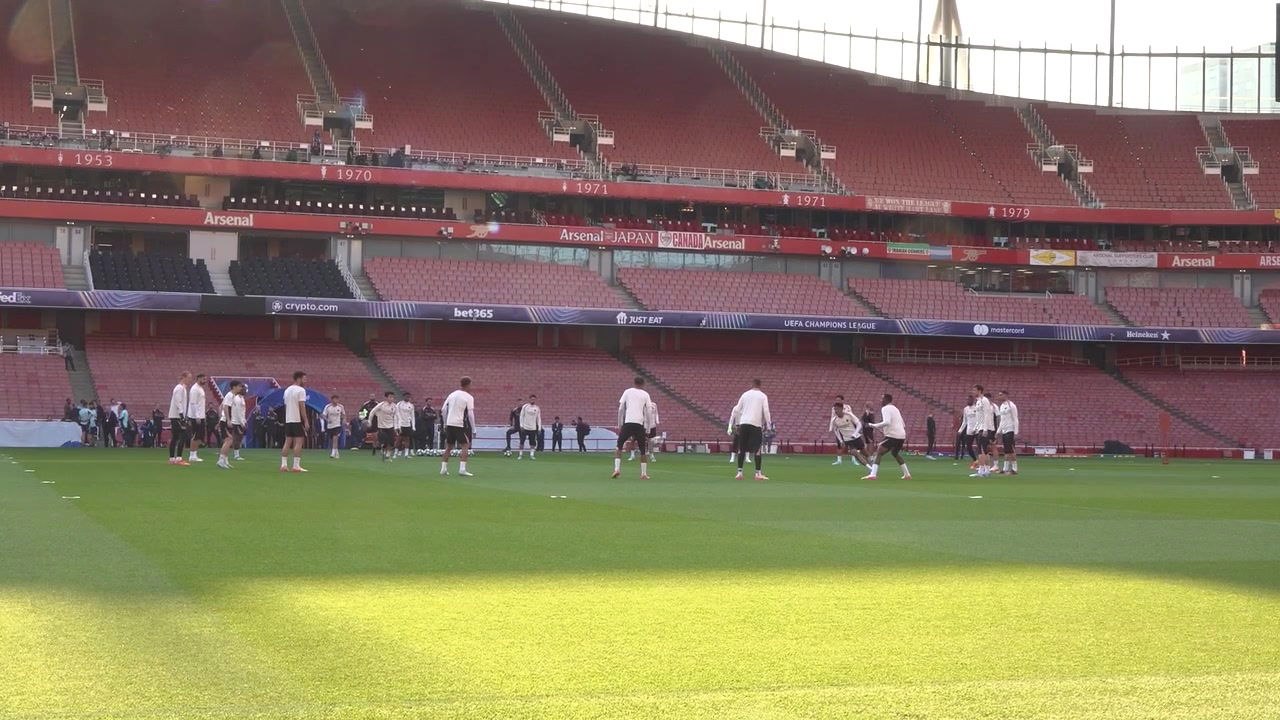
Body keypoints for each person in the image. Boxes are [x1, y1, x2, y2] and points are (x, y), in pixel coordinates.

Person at [729, 379, 771, 481]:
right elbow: (766, 410)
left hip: (744, 423)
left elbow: (737, 409)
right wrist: (769, 425)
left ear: (752, 384)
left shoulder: (745, 394)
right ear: (760, 385)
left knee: (742, 448)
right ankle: (758, 473)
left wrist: (735, 422)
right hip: (756, 424)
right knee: (757, 449)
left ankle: (739, 473)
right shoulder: (763, 396)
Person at [861, 394, 911, 481]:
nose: (881, 400)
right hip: (902, 435)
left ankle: (873, 475)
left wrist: (873, 425)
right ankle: (907, 474)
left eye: (882, 399)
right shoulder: (895, 408)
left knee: (879, 452)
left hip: (893, 435)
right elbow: (903, 424)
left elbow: (887, 422)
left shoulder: (885, 408)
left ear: (886, 400)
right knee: (895, 453)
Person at [612, 377, 653, 480]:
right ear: (643, 384)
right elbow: (649, 411)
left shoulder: (627, 391)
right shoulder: (645, 394)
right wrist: (648, 427)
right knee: (643, 449)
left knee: (619, 446)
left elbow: (621, 408)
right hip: (639, 424)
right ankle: (643, 473)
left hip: (628, 422)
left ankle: (617, 469)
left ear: (634, 383)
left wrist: (619, 423)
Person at [441, 377, 475, 476]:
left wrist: (445, 423)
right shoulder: (468, 397)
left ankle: (443, 468)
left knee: (449, 446)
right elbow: (470, 414)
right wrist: (474, 428)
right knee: (465, 445)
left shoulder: (452, 394)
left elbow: (443, 410)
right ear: (468, 385)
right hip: (460, 424)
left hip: (449, 423)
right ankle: (462, 469)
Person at [280, 371, 309, 472]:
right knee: (299, 441)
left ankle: (283, 465)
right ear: (299, 378)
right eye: (304, 378)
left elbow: (286, 405)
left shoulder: (287, 390)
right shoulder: (301, 390)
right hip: (296, 419)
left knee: (287, 441)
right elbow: (302, 406)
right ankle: (296, 466)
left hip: (288, 419)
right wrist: (305, 420)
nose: (305, 381)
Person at [217, 380, 247, 469]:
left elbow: (222, 407)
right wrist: (228, 420)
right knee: (228, 440)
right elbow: (225, 407)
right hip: (226, 421)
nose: (241, 388)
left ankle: (225, 460)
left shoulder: (233, 396)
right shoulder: (230, 395)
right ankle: (221, 460)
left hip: (229, 420)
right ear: (234, 387)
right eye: (239, 386)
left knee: (230, 440)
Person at [830, 402, 869, 467]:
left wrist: (855, 433)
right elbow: (836, 430)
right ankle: (870, 469)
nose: (835, 411)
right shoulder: (834, 420)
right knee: (855, 453)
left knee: (866, 454)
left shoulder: (849, 415)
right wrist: (841, 440)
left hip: (856, 438)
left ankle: (873, 465)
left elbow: (859, 424)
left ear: (842, 409)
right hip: (848, 440)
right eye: (835, 409)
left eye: (837, 409)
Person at [970, 385, 995, 478]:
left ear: (979, 391)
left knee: (982, 451)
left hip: (984, 428)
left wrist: (985, 429)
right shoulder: (978, 401)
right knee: (983, 450)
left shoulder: (984, 400)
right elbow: (978, 417)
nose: (973, 391)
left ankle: (982, 470)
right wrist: (975, 428)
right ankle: (986, 470)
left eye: (974, 390)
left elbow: (987, 415)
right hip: (979, 428)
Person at [167, 372, 192, 465]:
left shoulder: (183, 388)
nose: (190, 380)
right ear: (184, 377)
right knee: (182, 435)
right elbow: (178, 402)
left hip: (176, 415)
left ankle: (172, 458)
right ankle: (178, 458)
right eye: (189, 378)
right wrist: (182, 416)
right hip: (177, 416)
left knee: (175, 437)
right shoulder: (179, 388)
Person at [995, 390, 1020, 475]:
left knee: (1011, 450)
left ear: (1006, 395)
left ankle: (1014, 468)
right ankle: (1005, 468)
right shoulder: (1001, 406)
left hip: (1010, 429)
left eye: (1001, 395)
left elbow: (1015, 419)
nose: (999, 396)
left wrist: (1016, 432)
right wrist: (998, 431)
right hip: (1004, 430)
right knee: (1006, 450)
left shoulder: (1012, 405)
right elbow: (1002, 420)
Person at [369, 391, 398, 462]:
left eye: (393, 397)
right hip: (382, 426)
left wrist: (397, 426)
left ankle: (388, 455)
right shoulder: (381, 405)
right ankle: (383, 449)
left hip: (390, 426)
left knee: (391, 442)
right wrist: (370, 421)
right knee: (385, 441)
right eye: (390, 397)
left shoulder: (394, 406)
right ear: (386, 398)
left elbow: (396, 416)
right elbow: (372, 412)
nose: (392, 399)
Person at [186, 373, 207, 463]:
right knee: (195, 435)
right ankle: (192, 455)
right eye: (203, 379)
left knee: (199, 436)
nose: (204, 381)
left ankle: (195, 454)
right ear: (198, 378)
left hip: (201, 415)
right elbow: (193, 403)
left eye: (205, 379)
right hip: (195, 416)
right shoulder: (194, 389)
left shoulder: (200, 389)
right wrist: (197, 416)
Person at [830, 395, 854, 465]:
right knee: (839, 443)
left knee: (852, 444)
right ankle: (839, 460)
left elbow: (851, 416)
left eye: (839, 400)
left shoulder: (848, 407)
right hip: (839, 426)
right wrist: (831, 427)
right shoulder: (834, 408)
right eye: (836, 400)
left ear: (842, 400)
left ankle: (854, 459)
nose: (837, 401)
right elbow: (832, 417)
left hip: (848, 427)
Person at [517, 394, 542, 460]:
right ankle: (520, 455)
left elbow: (538, 419)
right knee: (522, 441)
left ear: (535, 400)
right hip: (525, 427)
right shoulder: (525, 406)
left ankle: (532, 455)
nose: (532, 400)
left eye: (534, 399)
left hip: (533, 428)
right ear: (529, 399)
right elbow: (521, 416)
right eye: (531, 399)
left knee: (532, 443)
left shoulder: (537, 408)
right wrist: (521, 426)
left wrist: (539, 428)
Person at [323, 394, 346, 459]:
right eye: (334, 399)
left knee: (335, 438)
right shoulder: (327, 407)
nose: (336, 400)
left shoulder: (341, 406)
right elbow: (324, 415)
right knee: (332, 439)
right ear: (332, 400)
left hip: (337, 425)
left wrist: (344, 420)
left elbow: (343, 414)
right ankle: (337, 452)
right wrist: (327, 420)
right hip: (330, 425)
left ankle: (333, 453)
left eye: (337, 399)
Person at [394, 392, 416, 459]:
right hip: (401, 424)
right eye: (406, 396)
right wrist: (396, 426)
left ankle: (406, 454)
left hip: (407, 424)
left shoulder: (411, 405)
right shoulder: (399, 404)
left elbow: (412, 416)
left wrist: (413, 426)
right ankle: (395, 453)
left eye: (408, 397)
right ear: (403, 397)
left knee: (407, 439)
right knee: (399, 439)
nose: (407, 398)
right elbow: (396, 415)